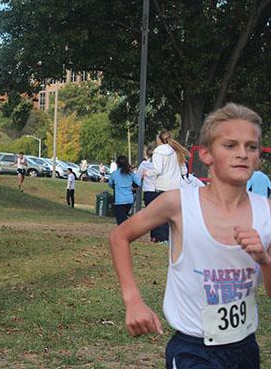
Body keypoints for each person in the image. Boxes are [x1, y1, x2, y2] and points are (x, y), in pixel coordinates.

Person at [109, 103, 271, 369]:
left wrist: (264, 260)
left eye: (251, 147)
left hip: (244, 347)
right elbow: (119, 236)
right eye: (230, 145)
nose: (242, 154)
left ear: (258, 158)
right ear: (206, 154)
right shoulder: (179, 204)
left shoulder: (266, 212)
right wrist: (133, 300)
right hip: (194, 350)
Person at [149, 129, 189, 243]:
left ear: (159, 139)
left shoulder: (158, 151)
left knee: (162, 214)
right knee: (175, 214)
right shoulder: (175, 150)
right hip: (176, 186)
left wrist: (147, 173)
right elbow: (184, 170)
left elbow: (157, 170)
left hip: (163, 186)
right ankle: (176, 237)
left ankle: (163, 238)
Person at [108, 155, 141, 225]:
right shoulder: (131, 174)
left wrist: (115, 187)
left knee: (121, 223)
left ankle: (128, 232)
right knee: (123, 218)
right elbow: (138, 183)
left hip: (119, 201)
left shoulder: (114, 174)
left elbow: (110, 184)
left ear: (117, 164)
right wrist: (132, 188)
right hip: (129, 200)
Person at [136, 143, 157, 209]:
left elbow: (137, 178)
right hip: (160, 191)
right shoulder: (161, 165)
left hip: (148, 191)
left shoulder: (144, 164)